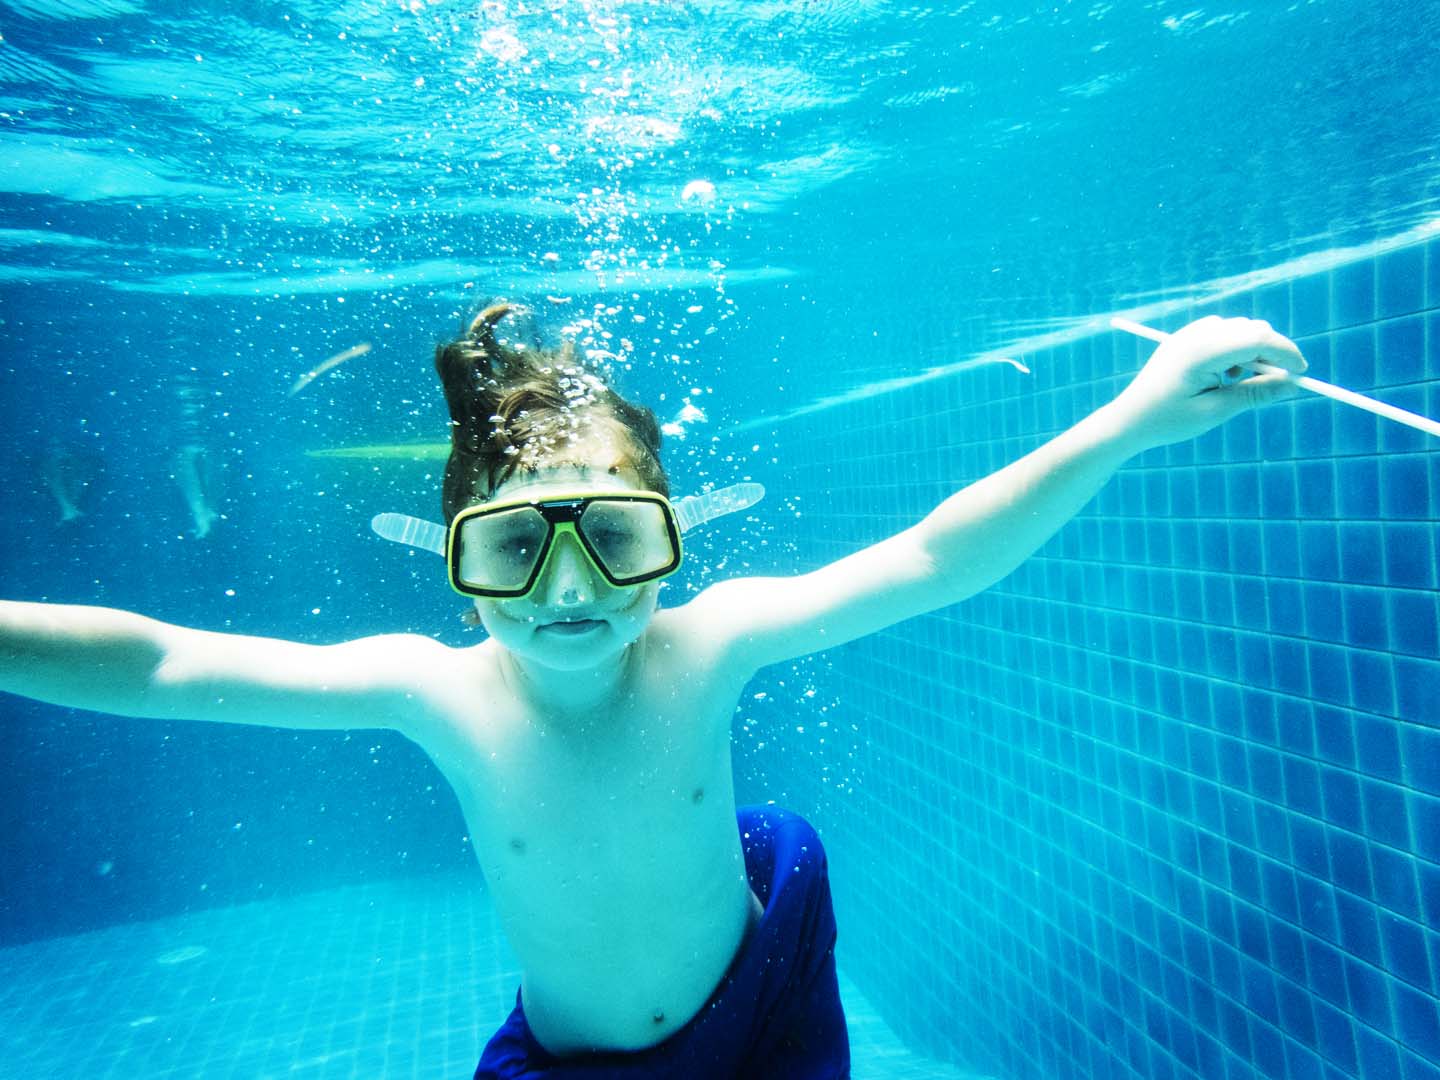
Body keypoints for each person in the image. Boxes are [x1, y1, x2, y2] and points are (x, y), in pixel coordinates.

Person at [0, 304, 1306, 1078]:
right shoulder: (439, 696)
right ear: (461, 572)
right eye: (518, 547)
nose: (571, 590)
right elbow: (165, 662)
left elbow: (929, 558)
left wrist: (1128, 418)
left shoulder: (708, 645)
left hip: (766, 1004)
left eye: (613, 538)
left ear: (670, 542)